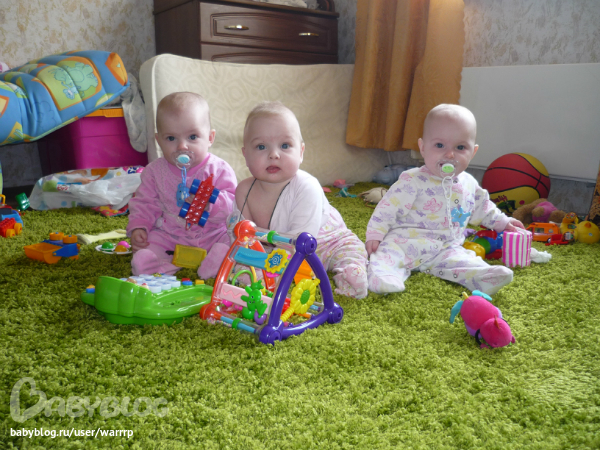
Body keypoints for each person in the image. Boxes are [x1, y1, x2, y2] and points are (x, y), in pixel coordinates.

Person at [366, 104, 526, 295]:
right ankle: (383, 277)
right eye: (440, 145)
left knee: (465, 260)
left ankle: (482, 277)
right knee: (386, 254)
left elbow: (483, 207)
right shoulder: (412, 180)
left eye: (460, 147)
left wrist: (503, 222)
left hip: (447, 247)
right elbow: (388, 208)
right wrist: (375, 233)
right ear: (423, 148)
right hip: (406, 241)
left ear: (473, 152)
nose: (450, 154)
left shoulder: (469, 183)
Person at [228, 101, 369, 299]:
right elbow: (242, 236)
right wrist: (249, 258)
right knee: (241, 266)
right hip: (274, 250)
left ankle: (351, 272)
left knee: (351, 250)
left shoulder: (307, 186)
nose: (274, 154)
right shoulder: (244, 191)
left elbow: (301, 241)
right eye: (261, 146)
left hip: (326, 242)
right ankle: (264, 277)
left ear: (301, 152)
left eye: (285, 146)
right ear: (246, 155)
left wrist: (274, 264)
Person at [127, 92, 236, 278]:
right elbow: (145, 203)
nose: (182, 146)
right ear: (159, 140)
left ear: (210, 138)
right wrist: (139, 227)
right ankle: (152, 265)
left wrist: (212, 202)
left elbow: (235, 206)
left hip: (212, 233)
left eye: (192, 137)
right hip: (171, 234)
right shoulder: (154, 171)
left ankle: (218, 261)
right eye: (171, 138)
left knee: (232, 240)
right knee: (152, 241)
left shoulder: (219, 169)